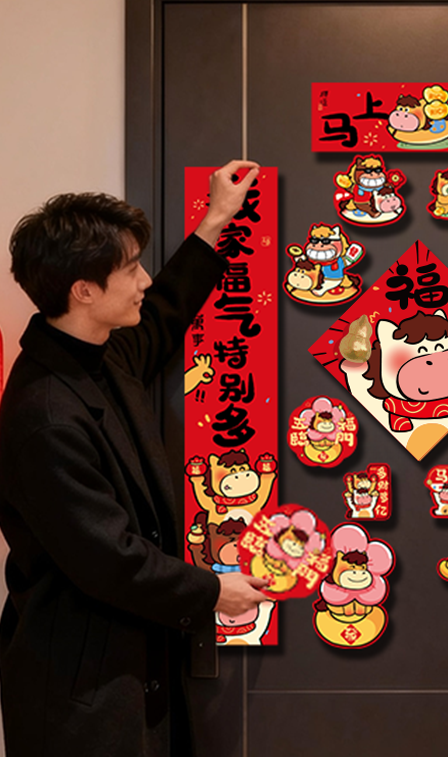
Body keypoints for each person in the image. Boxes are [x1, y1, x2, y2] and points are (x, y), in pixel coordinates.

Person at [0, 160, 271, 756]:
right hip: (80, 693)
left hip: (118, 671)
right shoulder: (45, 416)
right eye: (130, 269)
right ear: (84, 290)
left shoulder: (96, 352)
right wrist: (211, 592)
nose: (144, 279)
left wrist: (216, 219)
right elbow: (108, 559)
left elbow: (164, 313)